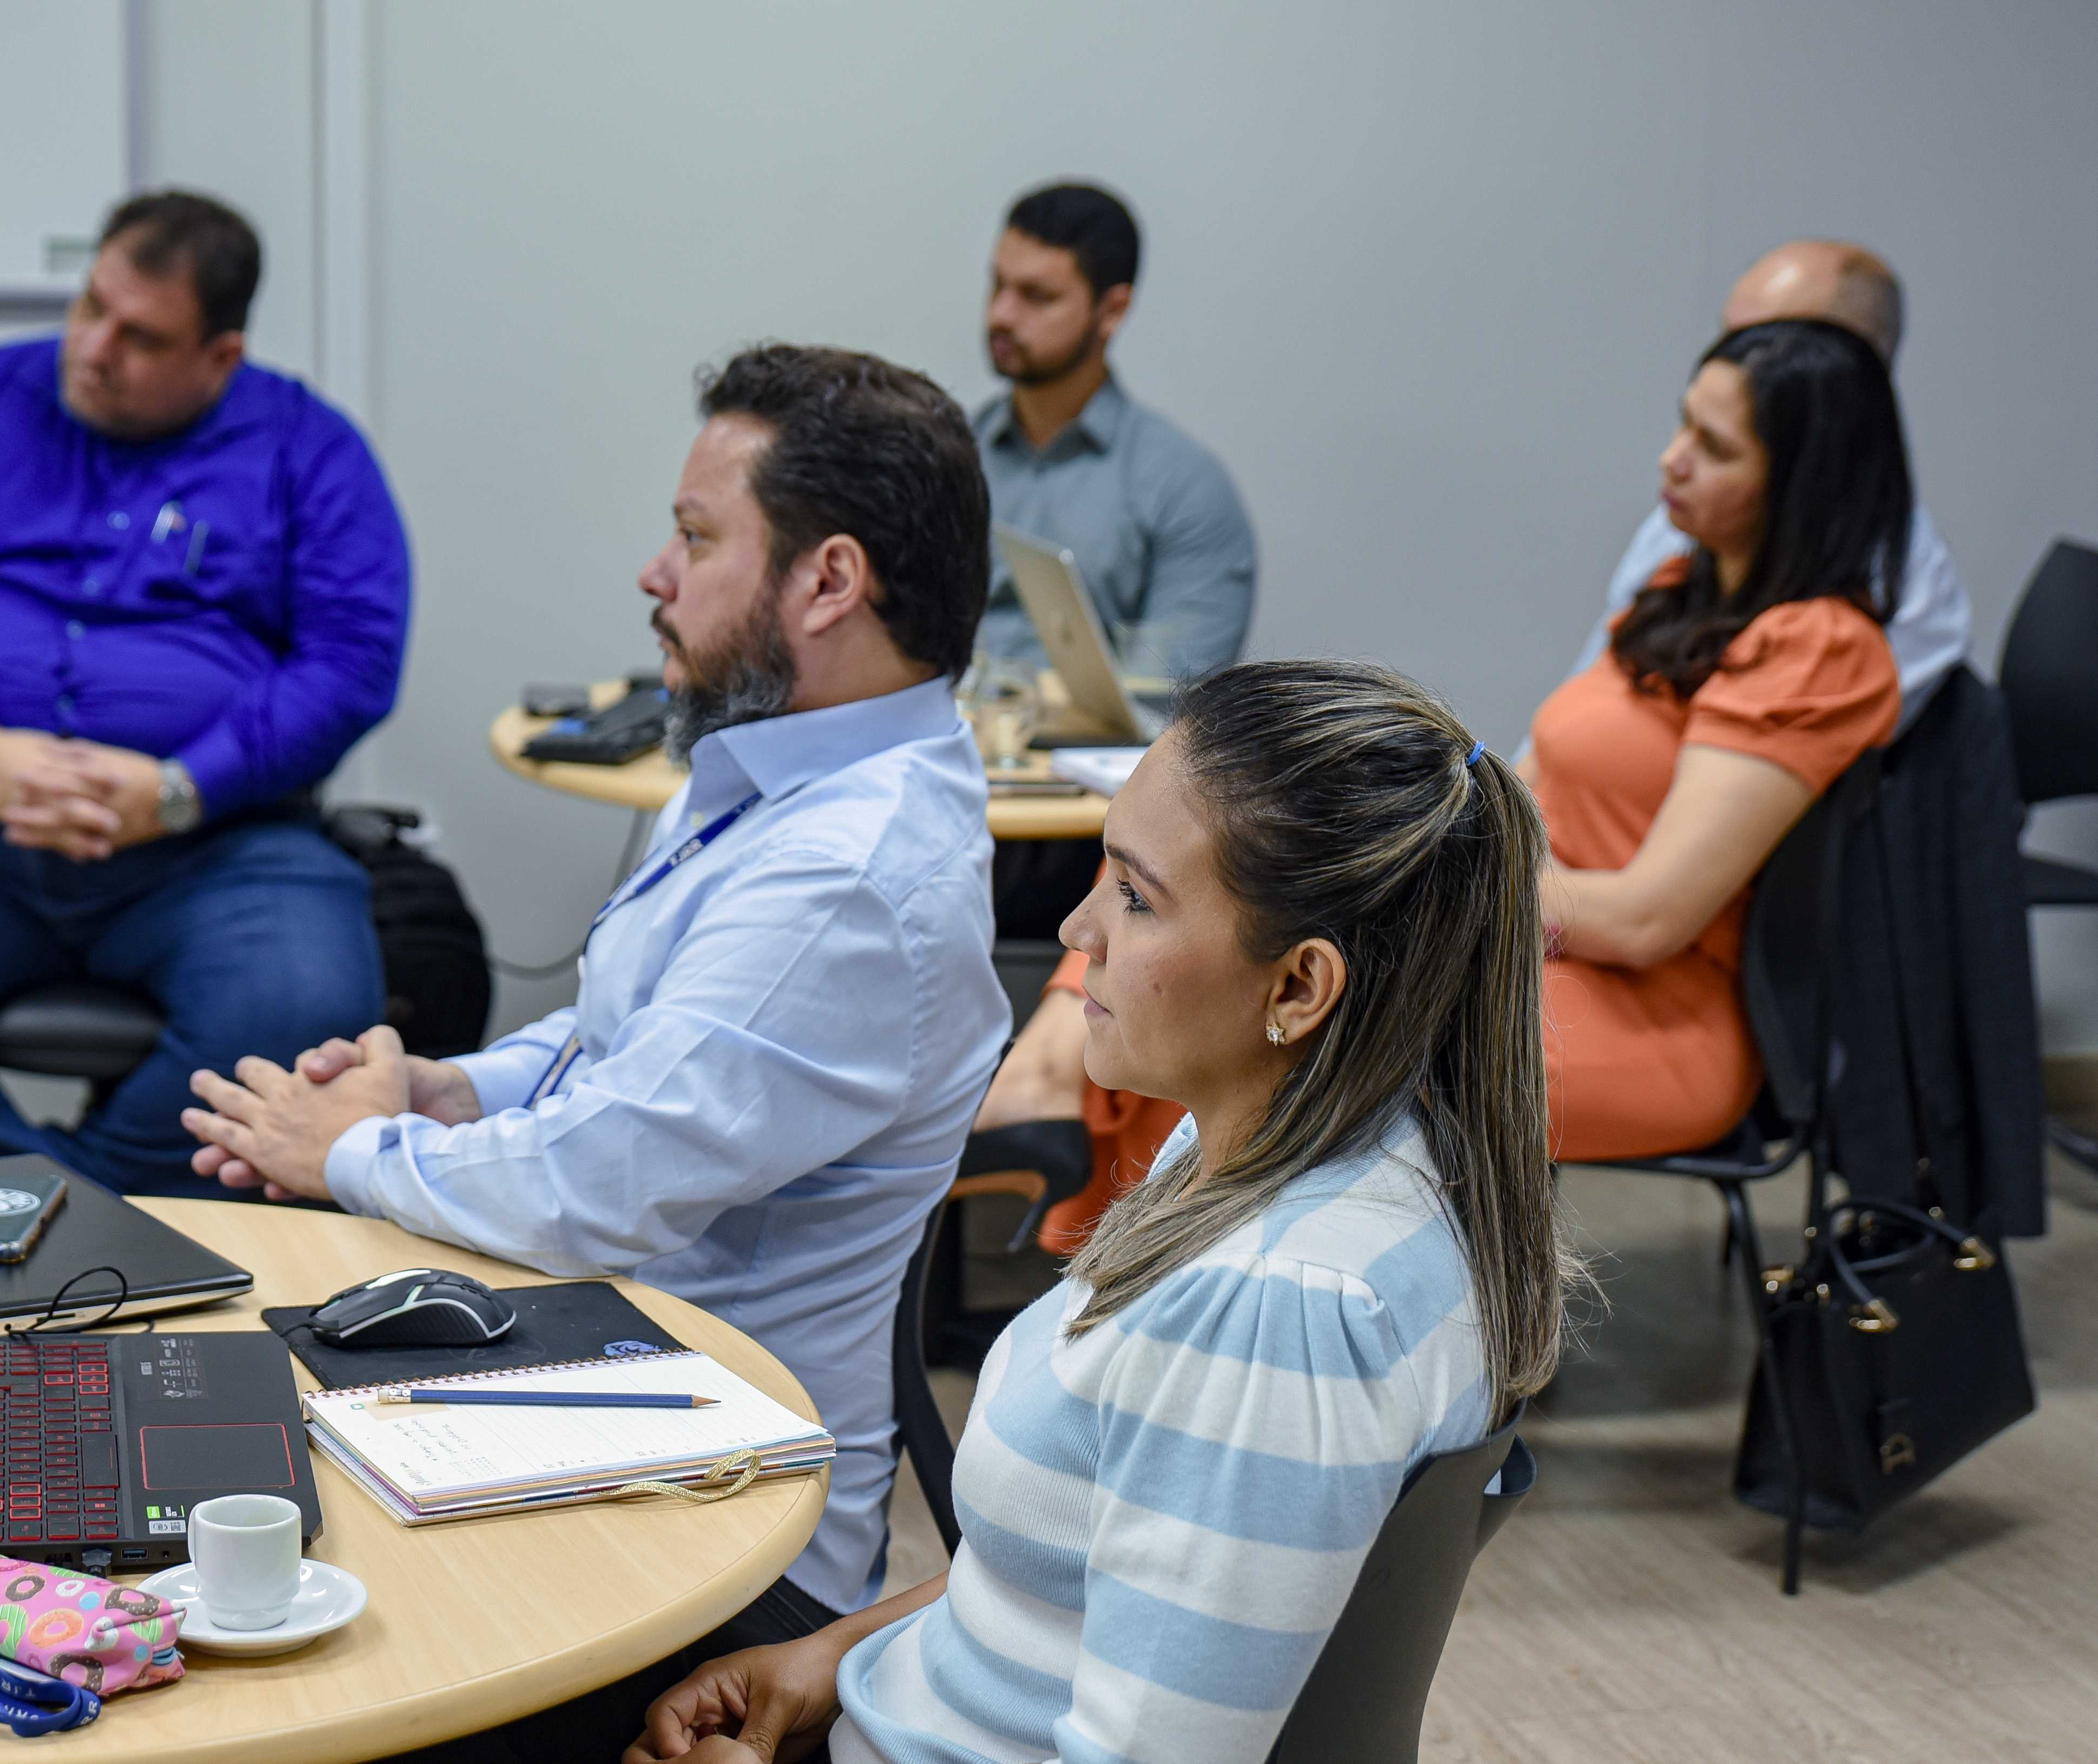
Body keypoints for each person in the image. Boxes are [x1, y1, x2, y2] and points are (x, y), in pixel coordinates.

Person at [177, 344, 1012, 1750]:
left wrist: (358, 1149)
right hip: (608, 1392)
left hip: (721, 1535)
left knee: (263, 1617)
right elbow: (624, 1029)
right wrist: (450, 1089)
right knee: (215, 1457)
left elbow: (602, 1184)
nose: (654, 573)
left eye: (696, 539)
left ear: (827, 581)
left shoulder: (853, 871)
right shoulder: (778, 764)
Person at [620, 659, 1576, 1764]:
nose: (1079, 929)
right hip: (897, 1691)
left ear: (1300, 987)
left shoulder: (1271, 1312)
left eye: (1135, 893)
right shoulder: (1360, 1156)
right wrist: (834, 1651)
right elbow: (1085, 1573)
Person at [0, 190, 409, 1197]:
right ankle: (45, 1211)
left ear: (220, 356)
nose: (94, 348)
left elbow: (353, 657)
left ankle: (82, 1212)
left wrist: (182, 787)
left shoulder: (308, 448)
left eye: (141, 336)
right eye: (90, 305)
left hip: (216, 843)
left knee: (310, 1000)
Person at [1525, 319, 1908, 1161]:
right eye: (1682, 423)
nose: (1673, 457)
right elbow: (1532, 777)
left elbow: (1644, 920)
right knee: (1221, 997)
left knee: (1274, 1040)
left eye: (1715, 446)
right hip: (1543, 956)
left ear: (1800, 485)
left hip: (1653, 1011)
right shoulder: (1678, 590)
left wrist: (1448, 889)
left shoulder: (1819, 649)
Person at [974, 181, 1258, 939]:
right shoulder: (946, 458)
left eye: (1037, 295)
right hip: (935, 784)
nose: (1003, 314)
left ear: (1112, 309)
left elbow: (1171, 702)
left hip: (1073, 837)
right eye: (999, 285)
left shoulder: (1182, 486)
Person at [1565, 240, 1968, 731]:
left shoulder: (1888, 606)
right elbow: (1576, 705)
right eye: (1732, 339)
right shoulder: (1678, 536)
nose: (1734, 365)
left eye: (1775, 345)